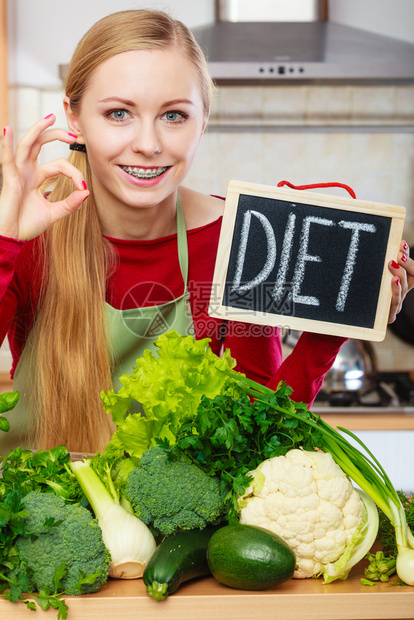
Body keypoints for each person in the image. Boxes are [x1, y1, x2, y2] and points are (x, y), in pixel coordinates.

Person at [0, 9, 412, 455]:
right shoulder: (30, 231)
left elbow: (258, 438)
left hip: (177, 524)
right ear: (75, 119)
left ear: (203, 120)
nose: (148, 143)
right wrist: (6, 243)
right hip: (38, 509)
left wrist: (334, 325)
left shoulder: (242, 239)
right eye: (119, 113)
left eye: (174, 116)